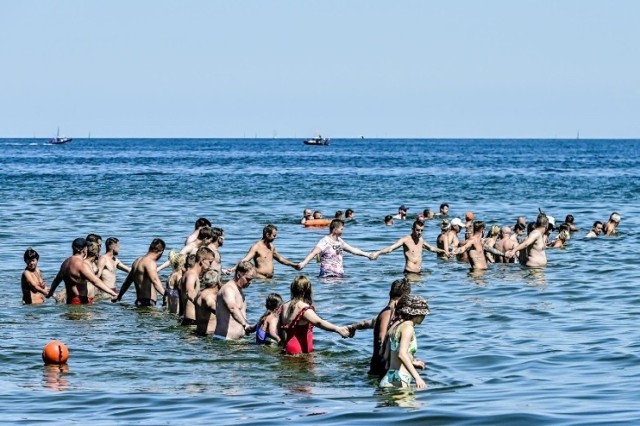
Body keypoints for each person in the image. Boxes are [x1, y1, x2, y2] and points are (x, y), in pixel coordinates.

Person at [347, 278, 412, 378]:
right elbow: (381, 340)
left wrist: (353, 327)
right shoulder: (388, 313)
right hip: (382, 366)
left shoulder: (387, 313)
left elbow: (367, 323)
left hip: (381, 364)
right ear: (404, 297)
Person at [279, 275, 350, 354]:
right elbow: (319, 322)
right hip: (300, 350)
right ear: (307, 290)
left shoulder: (284, 306)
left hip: (287, 348)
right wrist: (338, 329)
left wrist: (284, 344)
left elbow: (280, 329)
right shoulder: (303, 307)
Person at [380, 294, 429, 389]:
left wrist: (412, 362)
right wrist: (417, 378)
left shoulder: (395, 326)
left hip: (390, 378)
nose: (424, 317)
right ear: (417, 314)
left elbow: (386, 355)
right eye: (424, 314)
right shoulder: (408, 328)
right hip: (400, 380)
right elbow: (402, 354)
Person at [47, 238, 118, 304]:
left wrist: (51, 291)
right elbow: (95, 281)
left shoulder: (65, 262)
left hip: (69, 300)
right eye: (86, 248)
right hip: (80, 301)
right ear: (83, 249)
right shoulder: (81, 264)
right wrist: (112, 293)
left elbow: (57, 279)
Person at [297, 219, 374, 278]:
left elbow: (353, 250)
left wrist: (367, 254)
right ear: (335, 229)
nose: (343, 231)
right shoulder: (325, 241)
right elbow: (314, 253)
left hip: (339, 275)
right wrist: (304, 263)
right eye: (341, 229)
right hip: (327, 275)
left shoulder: (339, 241)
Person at [372, 220, 448, 274]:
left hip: (419, 272)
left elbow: (431, 248)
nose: (420, 233)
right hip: (409, 272)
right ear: (412, 229)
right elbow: (390, 248)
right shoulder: (405, 240)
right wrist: (378, 253)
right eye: (418, 230)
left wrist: (444, 251)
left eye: (422, 230)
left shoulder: (421, 240)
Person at [114, 238, 167, 307]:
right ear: (161, 252)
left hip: (138, 302)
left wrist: (119, 296)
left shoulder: (137, 261)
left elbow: (127, 281)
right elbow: (155, 281)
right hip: (148, 303)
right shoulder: (150, 263)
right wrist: (166, 295)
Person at [214, 261, 255, 340]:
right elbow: (232, 308)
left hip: (236, 341)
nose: (250, 283)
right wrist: (245, 325)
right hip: (224, 340)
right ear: (239, 275)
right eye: (248, 279)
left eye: (251, 280)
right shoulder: (228, 289)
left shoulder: (239, 290)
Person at [180, 247, 214, 325]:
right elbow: (190, 292)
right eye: (210, 262)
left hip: (191, 320)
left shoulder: (193, 275)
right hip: (191, 322)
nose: (211, 266)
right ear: (202, 261)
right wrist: (204, 305)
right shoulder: (191, 275)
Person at [194, 269, 221, 336]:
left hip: (199, 332)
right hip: (209, 335)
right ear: (218, 282)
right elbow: (219, 312)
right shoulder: (209, 297)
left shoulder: (199, 293)